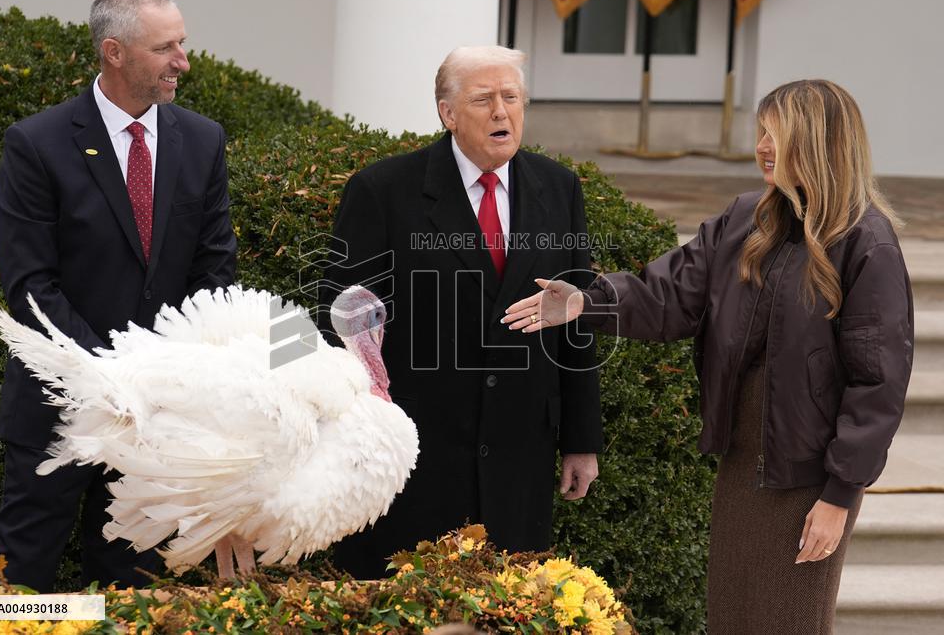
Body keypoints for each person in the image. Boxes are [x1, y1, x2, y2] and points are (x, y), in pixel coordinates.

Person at [503, 79, 913, 633]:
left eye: (778, 135)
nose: (763, 147)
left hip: (807, 475)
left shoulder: (866, 241)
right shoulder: (746, 218)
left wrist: (839, 496)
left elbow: (878, 384)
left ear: (817, 143)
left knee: (786, 620)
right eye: (760, 133)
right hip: (744, 458)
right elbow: (669, 294)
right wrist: (585, 302)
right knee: (733, 617)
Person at [319, 46, 602, 579]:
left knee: (505, 605)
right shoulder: (383, 192)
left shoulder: (558, 188)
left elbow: (575, 319)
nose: (502, 112)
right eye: (483, 99)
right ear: (448, 114)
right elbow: (335, 322)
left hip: (520, 453)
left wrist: (582, 439)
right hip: (415, 456)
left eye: (511, 97)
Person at [0, 0, 237, 592]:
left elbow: (215, 271)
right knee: (20, 588)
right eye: (166, 47)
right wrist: (113, 372)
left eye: (182, 42)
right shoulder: (37, 144)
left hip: (157, 418)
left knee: (134, 595)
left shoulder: (202, 140)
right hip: (59, 405)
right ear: (114, 52)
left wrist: (162, 376)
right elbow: (29, 288)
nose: (183, 60)